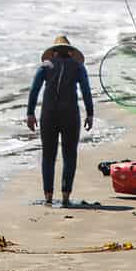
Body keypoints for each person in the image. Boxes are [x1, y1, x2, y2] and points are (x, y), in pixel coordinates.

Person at [26, 34, 94, 207]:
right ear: (70, 53)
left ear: (54, 52)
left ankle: (48, 196)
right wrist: (90, 113)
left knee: (48, 156)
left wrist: (30, 113)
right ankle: (65, 196)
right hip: (70, 115)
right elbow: (86, 90)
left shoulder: (45, 66)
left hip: (49, 115)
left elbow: (34, 90)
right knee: (69, 155)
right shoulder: (78, 67)